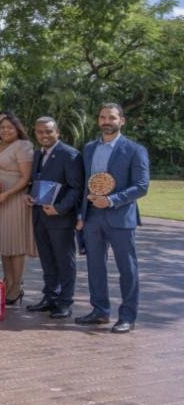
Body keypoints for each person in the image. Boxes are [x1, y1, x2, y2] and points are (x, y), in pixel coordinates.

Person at [76, 103, 150, 334]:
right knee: (94, 266)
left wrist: (111, 200)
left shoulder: (135, 150)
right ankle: (99, 311)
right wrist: (81, 214)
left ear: (122, 121)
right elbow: (85, 183)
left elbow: (141, 186)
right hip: (92, 216)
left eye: (112, 117)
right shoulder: (89, 148)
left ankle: (127, 317)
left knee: (127, 268)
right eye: (102, 117)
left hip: (120, 216)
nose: (106, 121)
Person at [25, 117, 84, 319]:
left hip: (60, 218)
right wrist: (29, 195)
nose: (44, 135)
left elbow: (76, 187)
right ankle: (50, 297)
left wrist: (59, 208)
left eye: (48, 131)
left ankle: (65, 302)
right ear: (35, 133)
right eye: (40, 132)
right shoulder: (37, 154)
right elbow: (35, 181)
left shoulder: (70, 155)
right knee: (47, 260)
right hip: (39, 216)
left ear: (57, 132)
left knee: (65, 261)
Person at [0, 113, 36, 306]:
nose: (5, 130)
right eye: (2, 127)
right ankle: (7, 280)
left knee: (15, 244)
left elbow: (25, 178)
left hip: (14, 198)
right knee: (4, 244)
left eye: (9, 127)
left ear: (17, 129)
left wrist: (7, 194)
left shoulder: (23, 146)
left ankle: (16, 286)